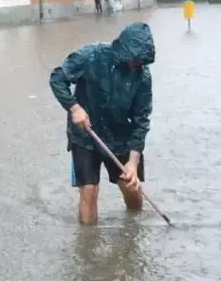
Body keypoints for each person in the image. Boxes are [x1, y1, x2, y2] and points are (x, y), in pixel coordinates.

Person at [49, 22, 156, 224]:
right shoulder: (90, 56)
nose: (136, 65)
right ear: (122, 49)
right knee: (89, 191)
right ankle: (87, 248)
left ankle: (133, 232)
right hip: (86, 135)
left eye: (140, 61)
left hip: (120, 137)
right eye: (134, 59)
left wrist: (133, 163)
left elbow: (141, 120)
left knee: (132, 188)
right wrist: (74, 108)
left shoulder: (142, 76)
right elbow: (57, 78)